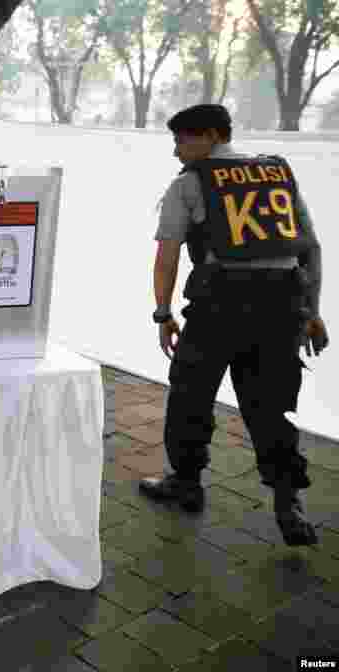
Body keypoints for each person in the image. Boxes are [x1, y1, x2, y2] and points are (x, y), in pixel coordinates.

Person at [141, 103, 329, 547]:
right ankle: (289, 505)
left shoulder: (190, 183)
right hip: (282, 308)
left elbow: (166, 257)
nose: (176, 151)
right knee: (270, 408)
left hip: (219, 308)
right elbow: (310, 248)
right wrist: (313, 311)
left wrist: (163, 314)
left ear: (208, 135)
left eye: (181, 140)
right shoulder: (276, 174)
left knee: (190, 396)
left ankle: (186, 484)